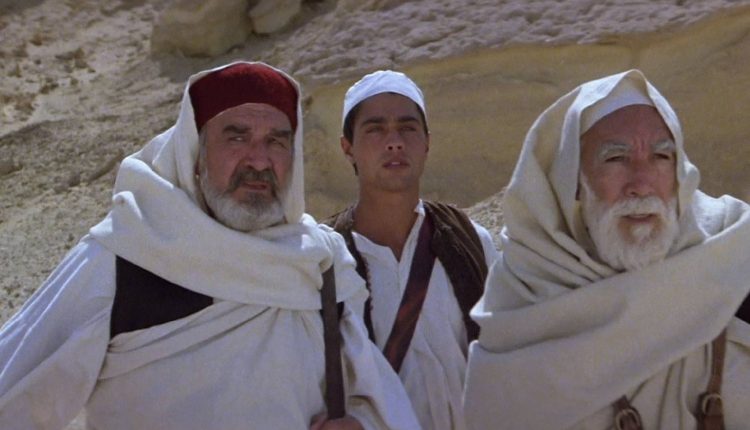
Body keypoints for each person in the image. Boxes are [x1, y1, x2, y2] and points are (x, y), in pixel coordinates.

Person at [0, 62, 421, 430]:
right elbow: (12, 393)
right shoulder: (127, 256)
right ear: (196, 154)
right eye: (237, 137)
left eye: (276, 141)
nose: (259, 160)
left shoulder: (320, 266)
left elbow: (379, 403)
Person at [463, 69, 750, 429]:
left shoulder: (734, 253)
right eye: (616, 159)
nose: (641, 184)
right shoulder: (525, 293)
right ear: (572, 180)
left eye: (661, 157)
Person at [324, 70, 499, 430]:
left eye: (407, 128)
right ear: (348, 148)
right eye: (375, 129)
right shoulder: (325, 259)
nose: (394, 142)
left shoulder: (471, 242)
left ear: (427, 143)